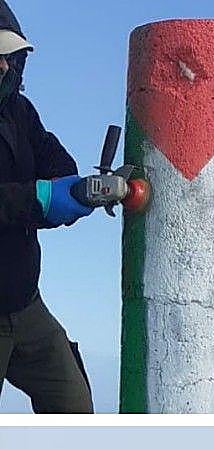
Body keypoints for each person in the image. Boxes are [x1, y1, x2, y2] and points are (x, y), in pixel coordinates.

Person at [0, 0, 95, 413]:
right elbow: (34, 195)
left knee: (72, 406)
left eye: (9, 56)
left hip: (25, 304)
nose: (3, 66)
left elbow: (56, 161)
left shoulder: (20, 111)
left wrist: (80, 189)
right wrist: (40, 198)